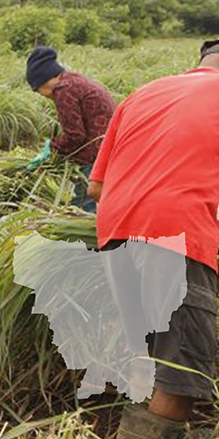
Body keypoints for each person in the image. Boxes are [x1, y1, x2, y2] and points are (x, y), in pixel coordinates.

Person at [88, 39, 219, 439]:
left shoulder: (144, 93)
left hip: (115, 235)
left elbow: (96, 187)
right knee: (180, 376)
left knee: (154, 357)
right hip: (178, 237)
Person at [26, 46, 115, 212]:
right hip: (107, 146)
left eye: (38, 90)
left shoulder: (63, 90)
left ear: (44, 81)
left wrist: (51, 149)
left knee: (82, 204)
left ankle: (86, 234)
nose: (42, 95)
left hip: (95, 152)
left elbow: (75, 136)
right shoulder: (73, 80)